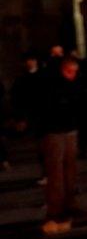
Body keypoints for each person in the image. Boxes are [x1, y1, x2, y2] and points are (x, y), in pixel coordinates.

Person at [38, 57, 83, 235]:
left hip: (69, 129)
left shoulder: (74, 84)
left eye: (74, 72)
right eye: (69, 72)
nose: (72, 75)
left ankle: (69, 204)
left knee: (70, 169)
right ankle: (55, 211)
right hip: (54, 131)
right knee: (56, 173)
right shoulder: (51, 86)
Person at [12, 53, 46, 184]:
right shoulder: (21, 79)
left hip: (43, 114)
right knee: (40, 146)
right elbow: (17, 99)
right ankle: (45, 172)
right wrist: (20, 118)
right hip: (33, 115)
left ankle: (48, 172)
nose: (30, 63)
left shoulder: (43, 76)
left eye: (32, 60)